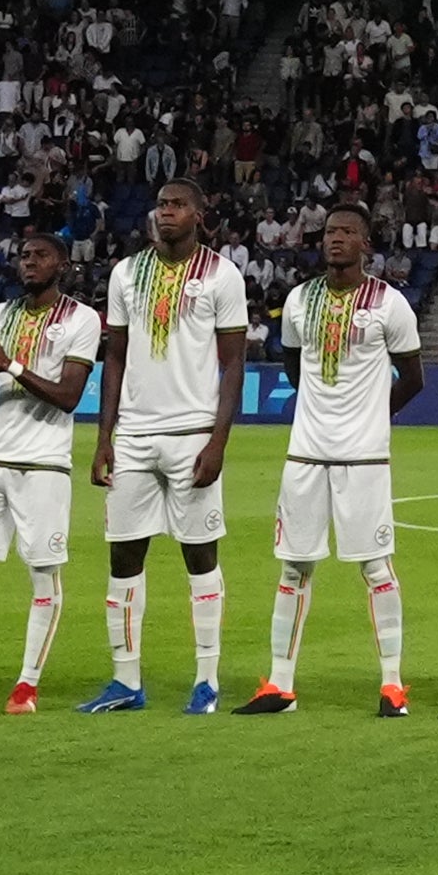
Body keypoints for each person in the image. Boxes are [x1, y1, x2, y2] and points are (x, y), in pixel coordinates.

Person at [82, 175, 250, 711]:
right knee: (124, 556)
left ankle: (207, 680)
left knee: (199, 555)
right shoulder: (126, 273)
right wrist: (103, 437)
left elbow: (233, 364)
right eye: (161, 204)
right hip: (132, 435)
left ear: (199, 214)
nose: (166, 212)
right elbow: (114, 357)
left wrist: (218, 441)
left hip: (192, 433)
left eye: (178, 205)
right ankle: (126, 681)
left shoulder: (223, 276)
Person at [241, 204, 416, 714]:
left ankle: (392, 684)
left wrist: (371, 418)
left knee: (376, 567)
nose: (336, 238)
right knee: (293, 567)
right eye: (331, 231)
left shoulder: (389, 304)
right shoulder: (299, 300)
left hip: (363, 458)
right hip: (305, 454)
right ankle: (280, 685)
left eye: (348, 232)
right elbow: (295, 367)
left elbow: (413, 378)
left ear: (366, 243)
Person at [0, 224, 100, 712]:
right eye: (24, 254)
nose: (29, 262)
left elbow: (69, 397)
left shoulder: (81, 319)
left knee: (43, 572)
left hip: (44, 464)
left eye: (41, 255)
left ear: (62, 265)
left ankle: (26, 685)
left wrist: (10, 366)